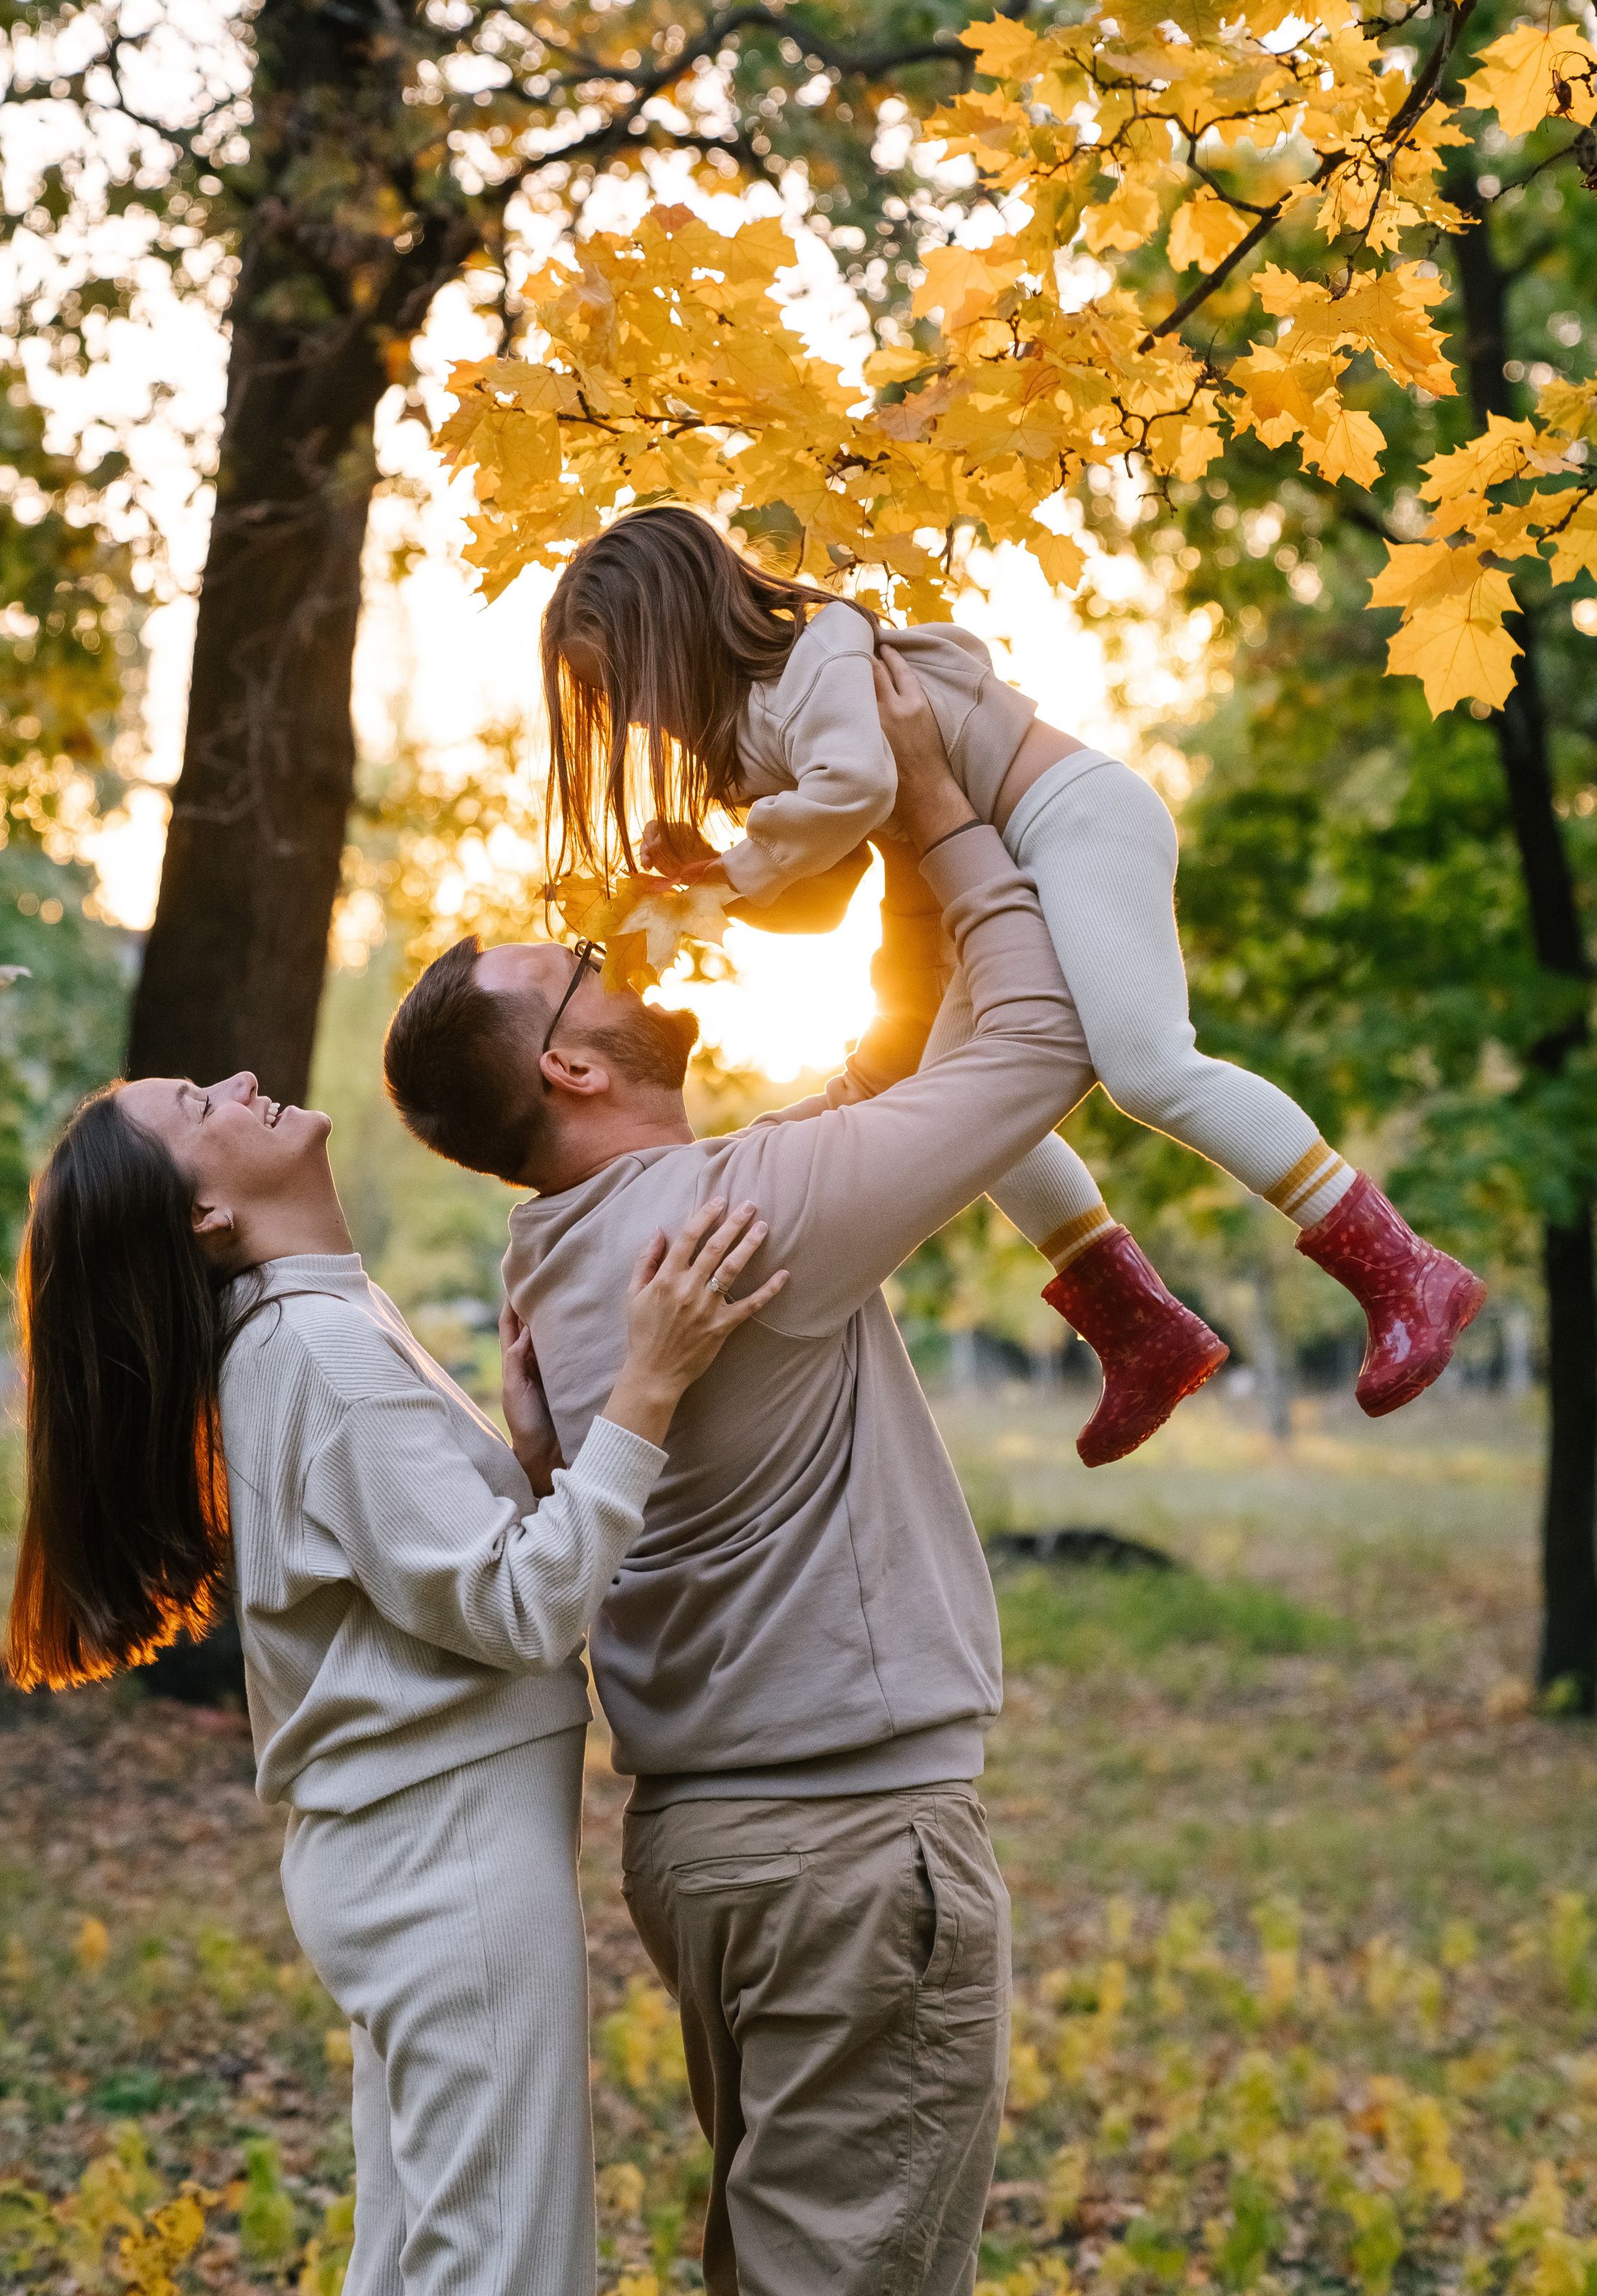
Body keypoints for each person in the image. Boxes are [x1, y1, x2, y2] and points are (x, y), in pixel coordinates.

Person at [384, 653, 1096, 2296]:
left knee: (778, 2259)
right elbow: (1039, 1042)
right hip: (845, 1854)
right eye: (573, 972)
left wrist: (900, 857)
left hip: (714, 1850)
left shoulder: (571, 1244)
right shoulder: (735, 1220)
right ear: (569, 1070)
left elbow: (887, 1076)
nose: (608, 952)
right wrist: (940, 803)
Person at [5, 1067, 784, 2296]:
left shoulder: (311, 1324)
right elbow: (518, 1610)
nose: (240, 1082)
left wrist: (533, 1463)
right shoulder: (315, 1350)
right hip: (441, 1853)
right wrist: (650, 1380)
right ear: (206, 1212)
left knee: (424, 2249)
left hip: (404, 1846)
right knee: (506, 2262)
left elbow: (423, 1584)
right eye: (200, 1106)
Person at [539, 503, 1487, 1454]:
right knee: (961, 1111)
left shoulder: (819, 651)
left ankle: (1403, 1270)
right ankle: (1141, 1329)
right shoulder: (743, 734)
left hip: (1068, 815)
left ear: (670, 627)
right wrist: (711, 872)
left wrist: (743, 862)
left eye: (621, 681)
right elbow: (821, 893)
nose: (630, 713)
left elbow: (859, 789)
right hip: (997, 861)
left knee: (1148, 1067)